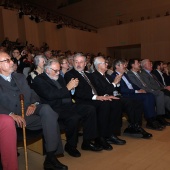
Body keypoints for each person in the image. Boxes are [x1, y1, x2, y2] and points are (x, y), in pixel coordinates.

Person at [0, 52, 68, 170]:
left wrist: (34, 103)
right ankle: (51, 158)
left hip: (27, 112)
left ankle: (50, 157)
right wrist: (10, 114)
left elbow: (32, 93)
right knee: (50, 121)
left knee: (48, 111)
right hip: (10, 120)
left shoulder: (20, 77)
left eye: (11, 59)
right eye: (7, 60)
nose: (12, 62)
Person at [32, 59, 102, 157]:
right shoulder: (39, 79)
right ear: (47, 70)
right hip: (54, 108)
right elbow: (50, 95)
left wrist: (72, 89)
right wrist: (68, 88)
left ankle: (87, 141)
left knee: (89, 109)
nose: (58, 73)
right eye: (55, 70)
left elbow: (67, 93)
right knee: (74, 117)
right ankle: (71, 146)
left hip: (67, 104)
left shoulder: (59, 77)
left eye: (59, 70)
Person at [91, 56, 153, 137]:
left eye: (106, 63)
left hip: (114, 96)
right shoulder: (94, 76)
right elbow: (102, 91)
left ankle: (135, 126)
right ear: (98, 65)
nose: (107, 64)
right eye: (105, 63)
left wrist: (117, 83)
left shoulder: (108, 76)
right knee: (128, 102)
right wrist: (115, 83)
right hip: (105, 98)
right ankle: (130, 127)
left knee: (137, 102)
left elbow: (116, 89)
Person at [111, 58, 165, 130]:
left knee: (150, 95)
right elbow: (122, 90)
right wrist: (136, 91)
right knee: (147, 97)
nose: (125, 66)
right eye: (123, 65)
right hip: (126, 95)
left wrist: (140, 89)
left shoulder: (125, 75)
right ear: (117, 66)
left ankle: (152, 119)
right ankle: (150, 121)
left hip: (132, 93)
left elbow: (132, 85)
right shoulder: (113, 76)